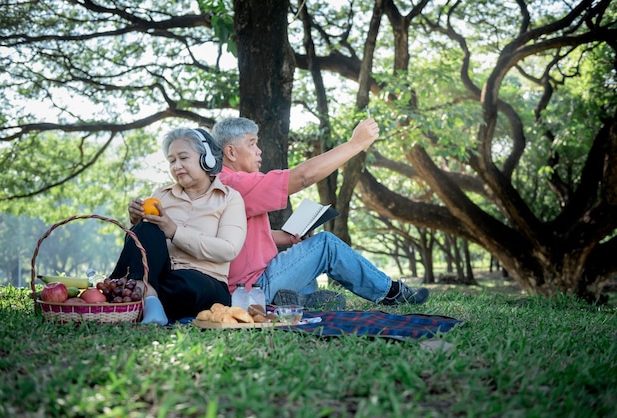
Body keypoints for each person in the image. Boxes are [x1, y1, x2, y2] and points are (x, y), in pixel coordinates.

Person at [211, 116, 429, 310]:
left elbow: (245, 237)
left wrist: (286, 237)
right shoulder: (235, 184)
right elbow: (303, 177)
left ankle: (294, 301)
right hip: (252, 288)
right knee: (325, 244)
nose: (259, 151)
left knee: (310, 270)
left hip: (255, 281)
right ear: (231, 151)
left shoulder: (224, 184)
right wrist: (356, 144)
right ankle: (391, 292)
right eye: (252, 144)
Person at [109, 127, 247, 325]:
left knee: (189, 286)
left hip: (202, 282)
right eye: (172, 161)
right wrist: (136, 221)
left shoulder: (229, 198)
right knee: (146, 229)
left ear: (206, 158)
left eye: (183, 158)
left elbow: (228, 249)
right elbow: (141, 247)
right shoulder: (161, 194)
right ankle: (150, 301)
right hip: (158, 278)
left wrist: (174, 232)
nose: (176, 166)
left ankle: (140, 299)